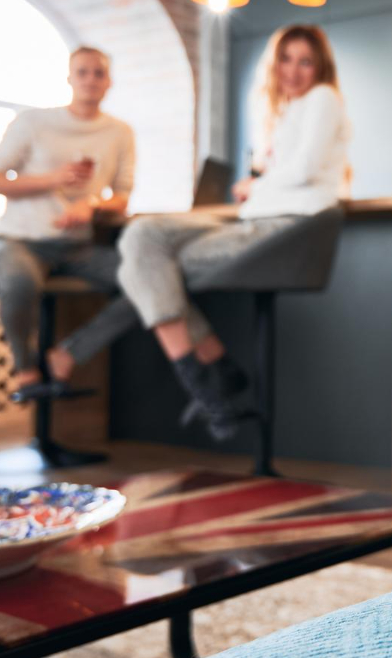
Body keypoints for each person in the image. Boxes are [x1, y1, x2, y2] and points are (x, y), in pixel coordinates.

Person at [116, 24, 352, 441]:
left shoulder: (323, 99)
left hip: (287, 228)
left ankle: (207, 383)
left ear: (320, 69)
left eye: (305, 61)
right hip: (257, 220)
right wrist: (260, 176)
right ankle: (214, 371)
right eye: (286, 59)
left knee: (148, 265)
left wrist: (255, 185)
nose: (293, 71)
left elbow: (304, 170)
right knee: (142, 237)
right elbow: (274, 171)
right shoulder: (283, 114)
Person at [0, 46, 135, 400]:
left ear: (109, 82)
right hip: (20, 239)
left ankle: (68, 354)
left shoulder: (119, 133)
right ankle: (26, 370)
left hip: (77, 247)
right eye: (83, 72)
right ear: (69, 78)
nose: (91, 80)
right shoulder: (33, 123)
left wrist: (92, 205)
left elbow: (123, 195)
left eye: (99, 73)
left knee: (145, 281)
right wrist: (52, 179)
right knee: (20, 284)